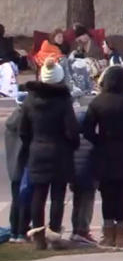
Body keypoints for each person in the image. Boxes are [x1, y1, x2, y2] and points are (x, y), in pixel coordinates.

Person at [82, 65, 123, 248]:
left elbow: (87, 129)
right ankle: (121, 233)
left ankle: (108, 232)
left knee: (107, 195)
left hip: (104, 151)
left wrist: (98, 140)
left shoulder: (98, 102)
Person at [20, 58, 80, 250]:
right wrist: (73, 144)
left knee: (38, 193)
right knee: (57, 195)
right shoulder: (63, 101)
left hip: (37, 149)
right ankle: (54, 234)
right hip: (60, 151)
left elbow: (23, 130)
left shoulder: (30, 100)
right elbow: (71, 129)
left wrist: (32, 144)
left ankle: (38, 236)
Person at [70, 107, 97, 246]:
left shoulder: (70, 140)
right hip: (88, 177)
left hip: (74, 176)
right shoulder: (92, 140)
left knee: (77, 203)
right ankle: (82, 230)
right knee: (86, 204)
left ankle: (75, 229)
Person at [5, 94, 30, 243]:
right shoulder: (24, 121)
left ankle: (14, 231)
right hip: (24, 166)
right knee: (25, 200)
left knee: (16, 199)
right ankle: (22, 231)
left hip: (13, 168)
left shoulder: (10, 122)